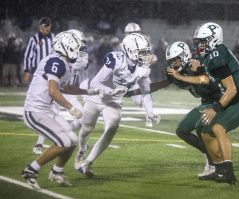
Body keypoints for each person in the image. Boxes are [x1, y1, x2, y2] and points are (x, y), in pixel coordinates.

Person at [127, 41, 222, 178]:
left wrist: (198, 70)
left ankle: (214, 164)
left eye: (176, 60)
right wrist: (133, 92)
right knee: (182, 131)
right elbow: (160, 85)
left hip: (217, 101)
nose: (173, 64)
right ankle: (209, 155)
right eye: (171, 61)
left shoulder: (197, 65)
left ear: (184, 56)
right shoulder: (175, 72)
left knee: (201, 130)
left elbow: (208, 81)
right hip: (206, 102)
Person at [21, 31, 99, 189]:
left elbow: (64, 88)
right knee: (63, 142)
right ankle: (30, 170)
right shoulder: (56, 61)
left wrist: (86, 92)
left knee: (72, 141)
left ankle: (57, 172)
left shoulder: (64, 63)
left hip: (46, 110)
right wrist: (71, 108)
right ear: (66, 47)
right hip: (35, 110)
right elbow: (53, 91)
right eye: (77, 48)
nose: (80, 52)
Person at [75, 33, 158, 176]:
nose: (146, 55)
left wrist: (149, 111)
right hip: (97, 96)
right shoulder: (116, 60)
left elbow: (146, 91)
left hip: (114, 101)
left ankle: (87, 163)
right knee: (86, 129)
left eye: (146, 51)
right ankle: (81, 151)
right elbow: (95, 83)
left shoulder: (143, 68)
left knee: (112, 125)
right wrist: (112, 90)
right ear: (130, 50)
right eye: (143, 52)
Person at [190, 22, 239, 184]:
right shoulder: (211, 54)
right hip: (233, 100)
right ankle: (218, 169)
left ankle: (229, 173)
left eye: (202, 41)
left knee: (217, 127)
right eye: (198, 41)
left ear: (213, 39)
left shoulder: (216, 55)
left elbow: (232, 89)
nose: (199, 45)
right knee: (204, 129)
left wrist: (215, 108)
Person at [22, 17, 55, 155]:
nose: (44, 29)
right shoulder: (34, 39)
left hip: (52, 75)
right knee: (44, 107)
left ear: (50, 26)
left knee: (49, 108)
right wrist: (26, 70)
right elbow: (28, 55)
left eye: (46, 27)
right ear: (39, 27)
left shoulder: (54, 38)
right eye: (42, 27)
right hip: (39, 75)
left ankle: (41, 142)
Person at [124, 22, 160, 127]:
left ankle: (149, 117)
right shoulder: (124, 44)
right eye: (132, 33)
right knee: (138, 101)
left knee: (147, 94)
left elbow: (152, 57)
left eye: (136, 32)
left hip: (142, 73)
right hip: (130, 75)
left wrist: (152, 59)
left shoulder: (145, 42)